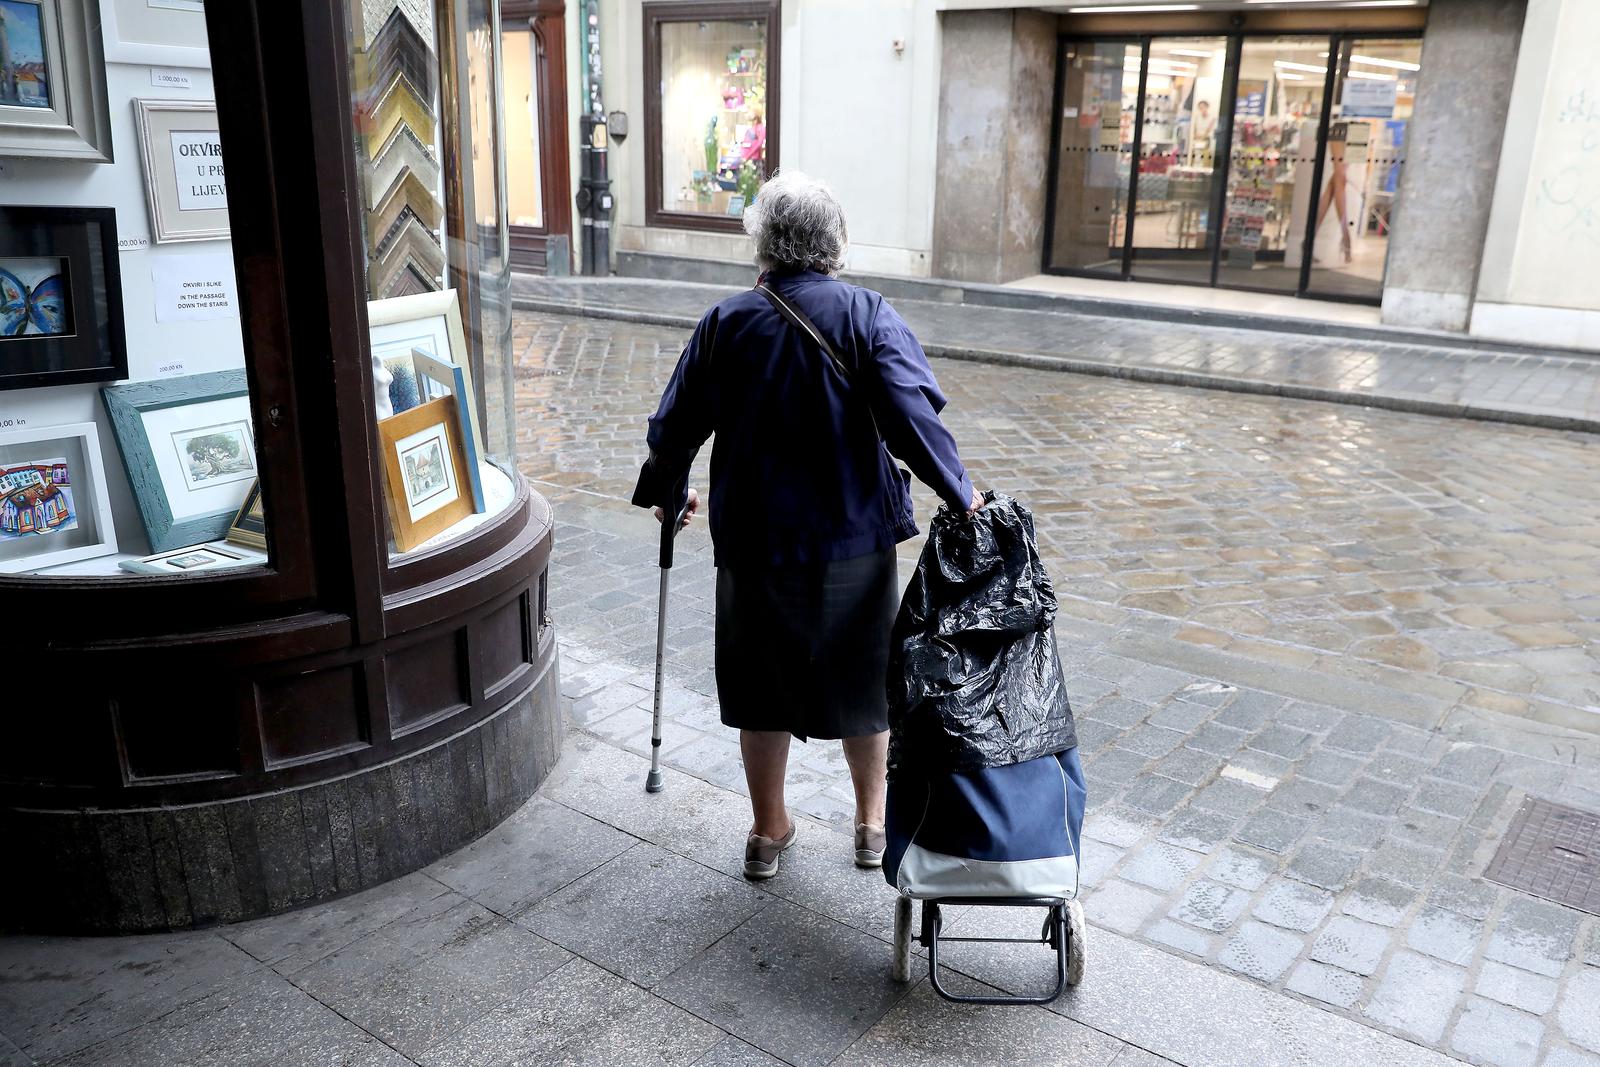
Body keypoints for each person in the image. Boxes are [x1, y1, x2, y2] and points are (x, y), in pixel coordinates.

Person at [632, 171, 981, 881]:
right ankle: (871, 824)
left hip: (757, 540)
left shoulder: (727, 322)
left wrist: (669, 492)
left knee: (762, 687)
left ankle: (768, 830)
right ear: (835, 243)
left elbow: (675, 429)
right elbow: (914, 419)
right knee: (863, 682)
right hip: (853, 538)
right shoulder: (867, 313)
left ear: (763, 242)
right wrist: (962, 494)